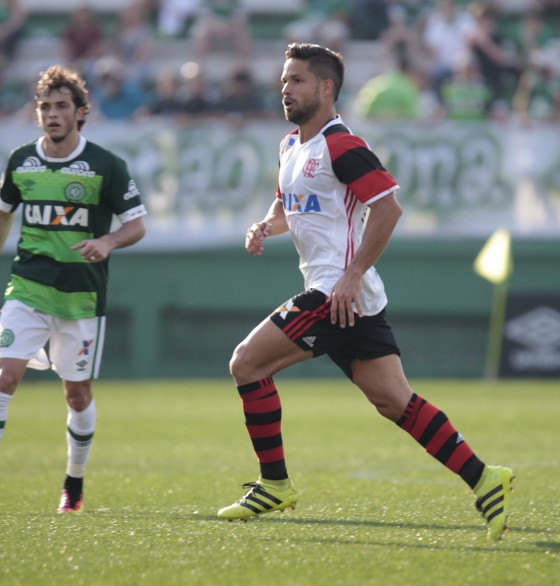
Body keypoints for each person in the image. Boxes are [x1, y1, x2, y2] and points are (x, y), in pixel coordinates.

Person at [216, 43, 513, 542]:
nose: (286, 89)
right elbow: (289, 207)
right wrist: (265, 226)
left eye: (298, 81)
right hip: (346, 297)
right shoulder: (291, 147)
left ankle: (275, 484)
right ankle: (486, 478)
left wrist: (352, 274)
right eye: (285, 80)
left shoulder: (342, 144)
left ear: (326, 88)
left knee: (246, 363)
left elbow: (388, 207)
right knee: (394, 401)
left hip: (335, 293)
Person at [0, 65, 147, 516]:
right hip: (29, 287)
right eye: (45, 106)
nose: (52, 114)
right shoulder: (22, 161)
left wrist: (107, 240)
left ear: (81, 113)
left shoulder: (105, 166)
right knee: (5, 377)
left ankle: (73, 486)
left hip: (81, 299)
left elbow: (136, 225)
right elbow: (1, 216)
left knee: (77, 395)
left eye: (62, 107)